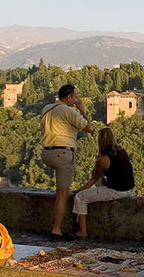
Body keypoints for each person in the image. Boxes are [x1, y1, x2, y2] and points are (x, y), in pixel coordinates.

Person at [40, 83, 94, 240]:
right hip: (62, 153)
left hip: (46, 152)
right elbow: (89, 128)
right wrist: (83, 111)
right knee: (62, 194)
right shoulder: (68, 111)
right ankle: (56, 231)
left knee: (60, 193)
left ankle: (56, 228)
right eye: (75, 97)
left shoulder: (47, 109)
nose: (76, 100)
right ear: (69, 97)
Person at [72, 127, 135, 239]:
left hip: (117, 190)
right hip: (130, 189)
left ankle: (82, 231)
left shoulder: (103, 159)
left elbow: (94, 178)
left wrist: (80, 191)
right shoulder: (122, 151)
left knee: (80, 198)